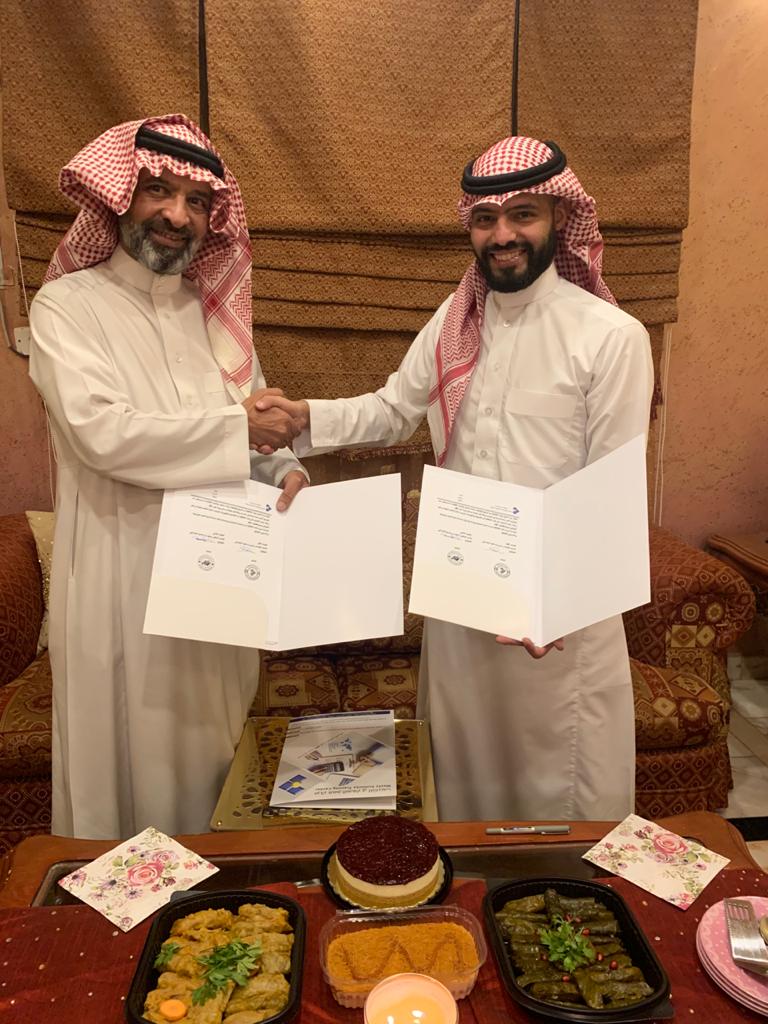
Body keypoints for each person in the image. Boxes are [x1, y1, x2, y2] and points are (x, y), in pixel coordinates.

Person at [257, 136, 654, 821]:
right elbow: (392, 409)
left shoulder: (611, 336)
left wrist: (558, 601)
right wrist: (302, 418)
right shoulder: (455, 320)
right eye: (486, 219)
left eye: (523, 215)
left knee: (556, 785)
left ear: (559, 218)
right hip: (462, 594)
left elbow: (609, 489)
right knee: (463, 773)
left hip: (556, 615)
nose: (503, 235)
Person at [29, 114, 307, 839]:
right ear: (120, 195)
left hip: (221, 585)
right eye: (158, 190)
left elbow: (256, 416)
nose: (178, 216)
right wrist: (241, 432)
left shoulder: (210, 313)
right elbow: (103, 435)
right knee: (131, 777)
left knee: (216, 763)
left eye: (197, 202)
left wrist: (286, 468)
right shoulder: (67, 306)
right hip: (123, 584)